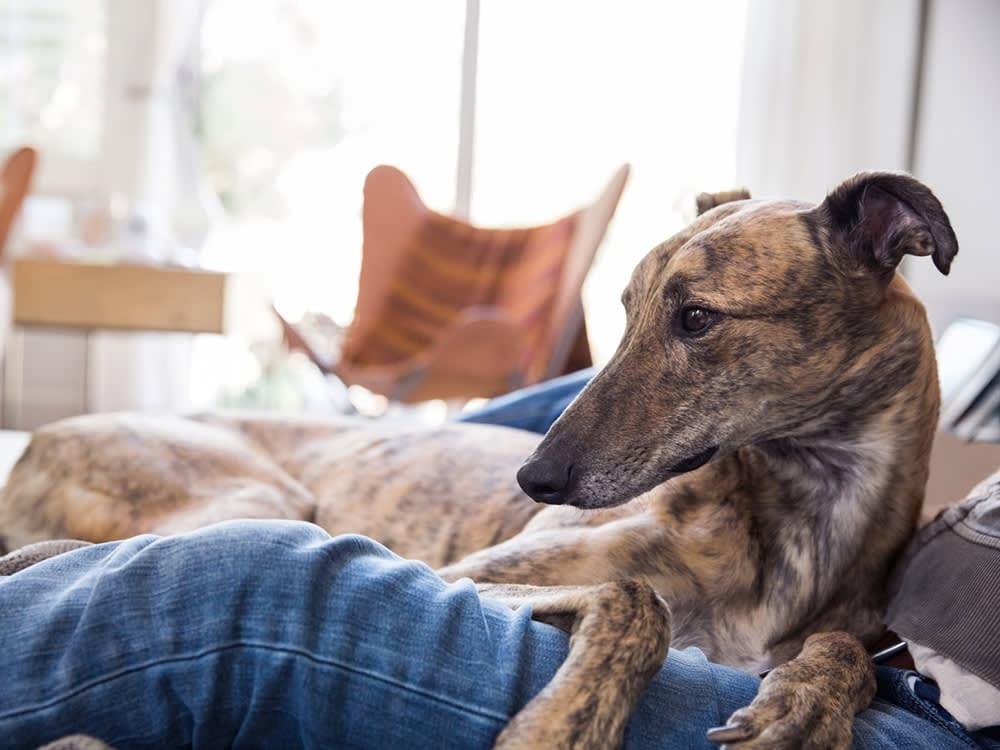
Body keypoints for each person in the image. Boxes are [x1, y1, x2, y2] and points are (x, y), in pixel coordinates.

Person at [1, 372, 997, 749]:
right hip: (237, 459)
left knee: (255, 577)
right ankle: (54, 578)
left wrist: (841, 665)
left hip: (925, 707)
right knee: (244, 527)